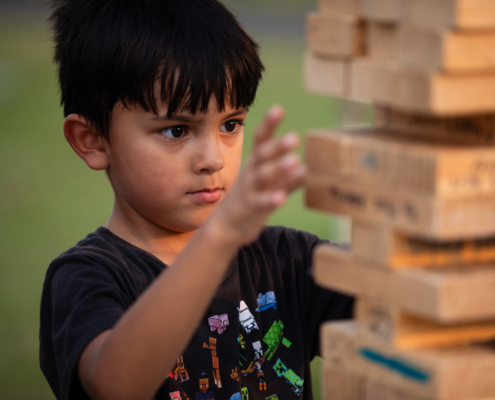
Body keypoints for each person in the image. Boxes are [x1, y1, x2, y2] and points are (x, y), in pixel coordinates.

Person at [39, 1, 354, 399]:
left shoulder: (286, 260)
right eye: (176, 130)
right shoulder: (88, 276)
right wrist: (220, 237)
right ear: (93, 140)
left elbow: (405, 304)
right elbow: (114, 385)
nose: (213, 159)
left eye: (230, 124)